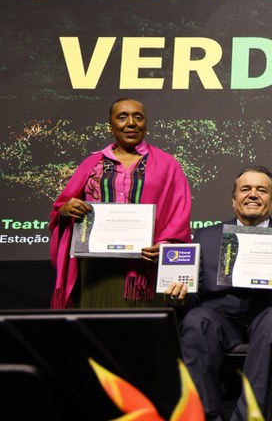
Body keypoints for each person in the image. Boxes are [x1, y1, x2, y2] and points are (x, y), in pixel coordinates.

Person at [165, 165, 272, 421]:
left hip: (270, 319)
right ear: (234, 200)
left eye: (261, 190)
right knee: (197, 319)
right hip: (220, 320)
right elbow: (194, 295)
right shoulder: (206, 236)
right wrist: (182, 296)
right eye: (246, 189)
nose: (253, 194)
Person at [49, 97, 191, 309]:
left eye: (138, 117)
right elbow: (60, 208)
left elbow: (180, 214)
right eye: (122, 117)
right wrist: (66, 210)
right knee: (97, 332)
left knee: (139, 335)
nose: (131, 123)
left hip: (144, 270)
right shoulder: (92, 163)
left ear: (146, 124)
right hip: (96, 269)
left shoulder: (167, 164)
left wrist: (164, 246)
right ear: (111, 126)